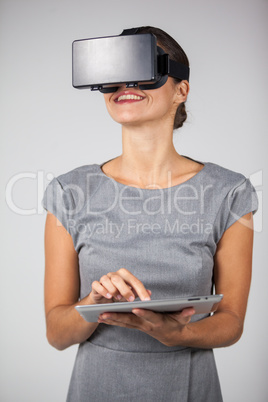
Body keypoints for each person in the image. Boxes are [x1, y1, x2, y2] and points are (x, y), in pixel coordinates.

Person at [42, 26, 258, 401]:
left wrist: (180, 334)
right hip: (98, 387)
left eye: (144, 68)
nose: (127, 83)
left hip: (190, 386)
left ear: (181, 89)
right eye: (114, 73)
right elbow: (57, 334)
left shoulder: (229, 192)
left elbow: (232, 323)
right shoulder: (69, 193)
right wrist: (92, 304)